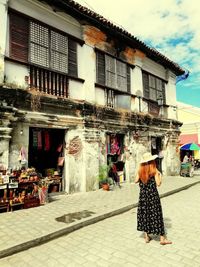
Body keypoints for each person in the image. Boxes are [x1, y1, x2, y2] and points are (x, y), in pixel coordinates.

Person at [135, 152, 172, 245]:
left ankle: (147, 237)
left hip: (143, 197)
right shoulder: (154, 170)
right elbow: (158, 184)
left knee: (145, 215)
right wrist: (160, 175)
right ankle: (162, 239)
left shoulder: (140, 170)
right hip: (153, 196)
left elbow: (135, 181)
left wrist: (138, 171)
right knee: (157, 215)